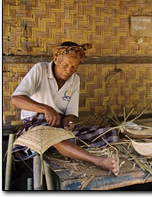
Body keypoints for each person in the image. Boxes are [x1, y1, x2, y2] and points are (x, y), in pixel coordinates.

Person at [11, 42, 119, 176]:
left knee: (106, 132)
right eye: (65, 65)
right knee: (53, 135)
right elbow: (15, 99)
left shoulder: (75, 80)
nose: (69, 71)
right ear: (56, 59)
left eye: (74, 67)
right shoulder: (40, 69)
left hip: (58, 125)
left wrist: (69, 122)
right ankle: (98, 161)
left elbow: (70, 114)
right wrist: (45, 109)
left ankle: (67, 143)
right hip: (35, 124)